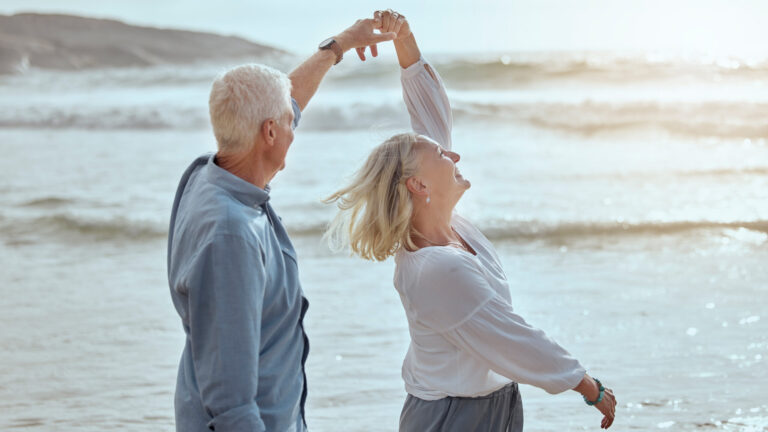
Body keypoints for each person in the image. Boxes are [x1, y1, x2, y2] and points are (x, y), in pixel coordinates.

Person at [325, 10, 617, 431]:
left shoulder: (447, 224)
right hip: (452, 415)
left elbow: (431, 117)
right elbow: (513, 337)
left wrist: (403, 40)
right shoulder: (437, 268)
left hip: (493, 402)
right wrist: (589, 387)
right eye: (444, 156)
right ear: (419, 186)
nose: (454, 155)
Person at [166, 18, 397, 432]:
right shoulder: (230, 236)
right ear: (269, 132)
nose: (295, 127)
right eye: (287, 123)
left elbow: (287, 103)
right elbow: (231, 403)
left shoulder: (208, 171)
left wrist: (339, 46)